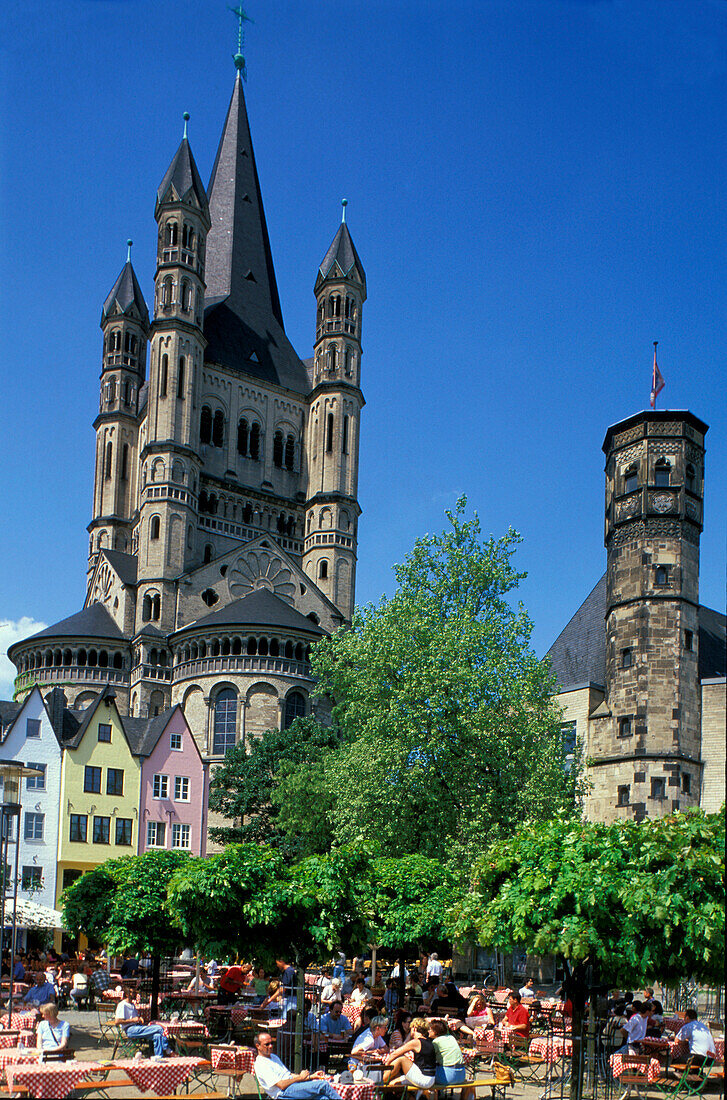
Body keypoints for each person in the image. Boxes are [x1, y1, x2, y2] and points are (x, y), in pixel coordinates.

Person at [254, 1030, 344, 1100]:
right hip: (283, 1093)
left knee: (323, 1098)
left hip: (292, 1087)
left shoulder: (273, 1056)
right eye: (267, 1044)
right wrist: (300, 1078)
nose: (270, 1046)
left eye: (272, 1043)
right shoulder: (261, 1064)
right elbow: (281, 1085)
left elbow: (289, 1075)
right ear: (258, 1046)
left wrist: (311, 1076)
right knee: (323, 1085)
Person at [383, 1016, 437, 1093]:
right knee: (393, 1083)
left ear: (414, 1029)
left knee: (401, 1058)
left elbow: (395, 1053)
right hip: (430, 1078)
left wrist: (386, 1065)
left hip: (424, 1079)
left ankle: (382, 1080)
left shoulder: (416, 1042)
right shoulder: (428, 1041)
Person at [114, 991, 171, 1059]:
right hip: (130, 1029)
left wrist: (139, 1019)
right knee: (159, 1028)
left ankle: (158, 1058)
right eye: (132, 992)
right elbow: (117, 1021)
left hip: (137, 1027)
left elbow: (135, 1018)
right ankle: (168, 1050)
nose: (135, 994)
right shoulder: (122, 1005)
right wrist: (133, 1020)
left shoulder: (132, 1004)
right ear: (127, 994)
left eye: (135, 992)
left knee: (157, 1035)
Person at [428, 1018, 467, 1086]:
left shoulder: (436, 1042)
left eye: (429, 1029)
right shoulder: (451, 1037)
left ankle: (431, 1096)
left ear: (435, 1031)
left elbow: (430, 1059)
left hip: (448, 1077)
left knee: (427, 1076)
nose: (428, 1031)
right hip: (461, 1076)